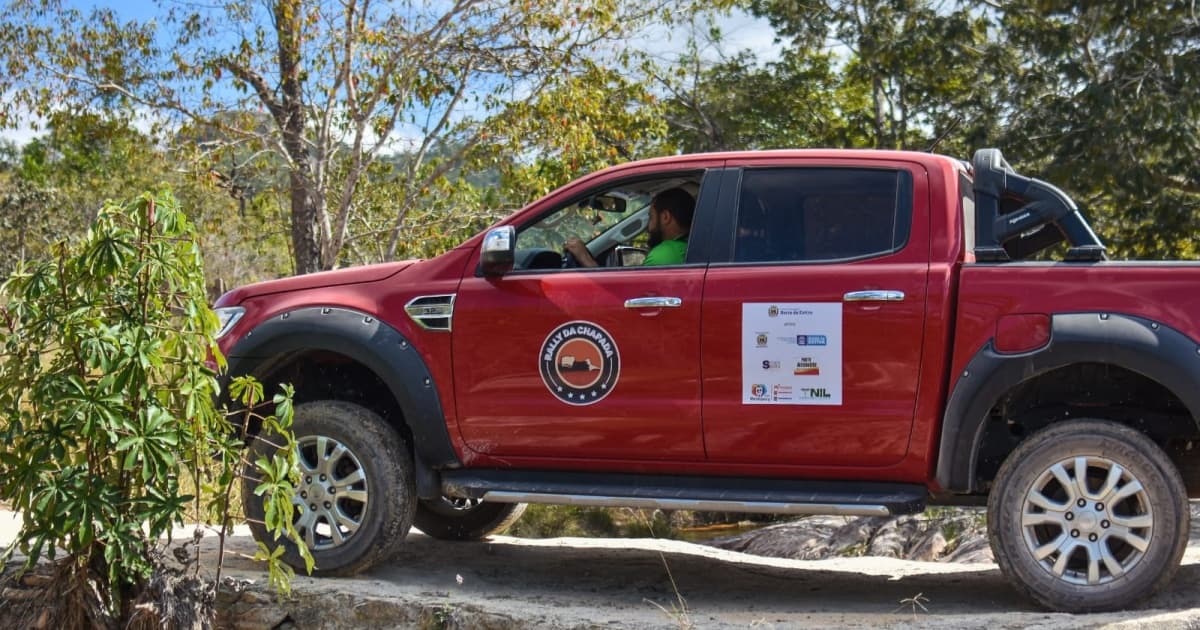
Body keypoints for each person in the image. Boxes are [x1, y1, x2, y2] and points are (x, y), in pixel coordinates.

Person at [563, 187, 695, 267]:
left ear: (665, 217)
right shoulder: (689, 247)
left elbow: (629, 301)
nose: (648, 227)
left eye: (651, 217)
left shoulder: (664, 255)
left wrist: (586, 260)